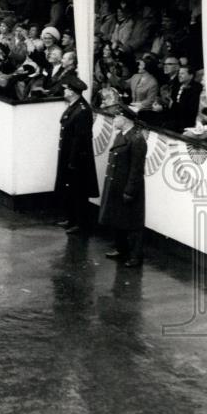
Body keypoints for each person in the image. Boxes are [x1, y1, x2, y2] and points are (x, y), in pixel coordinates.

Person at [98, 105, 148, 268]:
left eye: (116, 117)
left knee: (132, 222)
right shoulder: (122, 135)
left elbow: (136, 168)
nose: (114, 120)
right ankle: (121, 248)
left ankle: (135, 255)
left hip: (128, 186)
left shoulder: (136, 139)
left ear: (125, 120)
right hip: (117, 184)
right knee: (118, 218)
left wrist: (130, 190)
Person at [53, 74, 98, 235]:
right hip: (68, 155)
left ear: (72, 92)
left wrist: (72, 160)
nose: (64, 92)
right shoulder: (74, 107)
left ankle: (80, 222)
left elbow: (80, 138)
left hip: (78, 158)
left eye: (66, 89)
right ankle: (71, 218)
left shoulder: (82, 111)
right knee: (69, 189)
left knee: (79, 191)